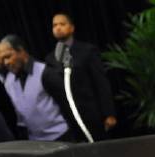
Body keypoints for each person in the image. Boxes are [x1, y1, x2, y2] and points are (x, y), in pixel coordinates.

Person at [43, 12, 117, 142]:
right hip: (70, 119)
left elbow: (101, 82)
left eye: (62, 24)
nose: (58, 28)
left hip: (93, 113)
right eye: (54, 25)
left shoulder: (87, 51)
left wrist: (109, 113)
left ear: (72, 28)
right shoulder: (51, 58)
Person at [0, 34, 71, 141]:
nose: (6, 62)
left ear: (21, 51)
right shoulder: (8, 81)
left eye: (8, 56)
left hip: (62, 136)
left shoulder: (45, 72)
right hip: (35, 142)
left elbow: (67, 104)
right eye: (3, 59)